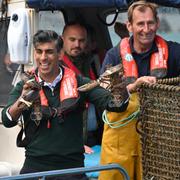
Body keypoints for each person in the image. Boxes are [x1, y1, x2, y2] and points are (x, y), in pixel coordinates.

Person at [1, 30, 129, 180]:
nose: (43, 58)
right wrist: (23, 100)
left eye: (49, 52)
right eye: (39, 52)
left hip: (71, 169)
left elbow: (117, 106)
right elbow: (8, 120)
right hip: (34, 168)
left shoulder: (80, 83)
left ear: (60, 54)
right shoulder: (24, 85)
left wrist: (120, 87)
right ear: (34, 54)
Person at [99, 1, 180, 180]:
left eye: (150, 23)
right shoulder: (114, 55)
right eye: (140, 24)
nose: (146, 29)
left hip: (159, 141)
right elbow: (102, 95)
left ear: (157, 24)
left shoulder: (174, 52)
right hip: (120, 140)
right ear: (129, 26)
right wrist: (133, 87)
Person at [61, 22, 103, 152]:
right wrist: (75, 144)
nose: (77, 45)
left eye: (81, 40)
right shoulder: (56, 68)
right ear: (62, 40)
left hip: (93, 135)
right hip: (71, 140)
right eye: (72, 40)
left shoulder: (90, 63)